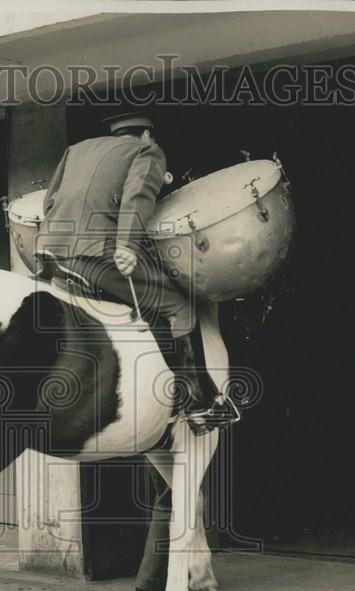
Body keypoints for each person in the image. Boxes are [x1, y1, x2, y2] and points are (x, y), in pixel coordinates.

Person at [36, 111, 235, 433]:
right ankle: (199, 405)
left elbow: (51, 201)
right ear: (146, 135)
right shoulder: (148, 152)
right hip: (95, 254)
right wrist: (127, 245)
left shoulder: (78, 149)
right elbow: (136, 198)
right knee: (178, 307)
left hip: (51, 251)